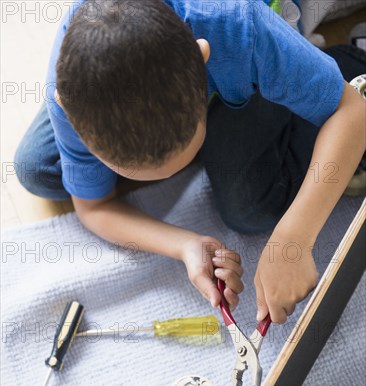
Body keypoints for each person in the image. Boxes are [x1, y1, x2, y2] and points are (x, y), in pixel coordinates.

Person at [14, 0, 366, 323]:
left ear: (202, 57)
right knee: (37, 169)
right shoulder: (69, 92)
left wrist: (294, 239)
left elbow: (352, 113)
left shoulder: (238, 28)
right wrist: (184, 245)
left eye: (182, 154)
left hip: (253, 35)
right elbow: (92, 208)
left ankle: (348, 65)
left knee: (248, 206)